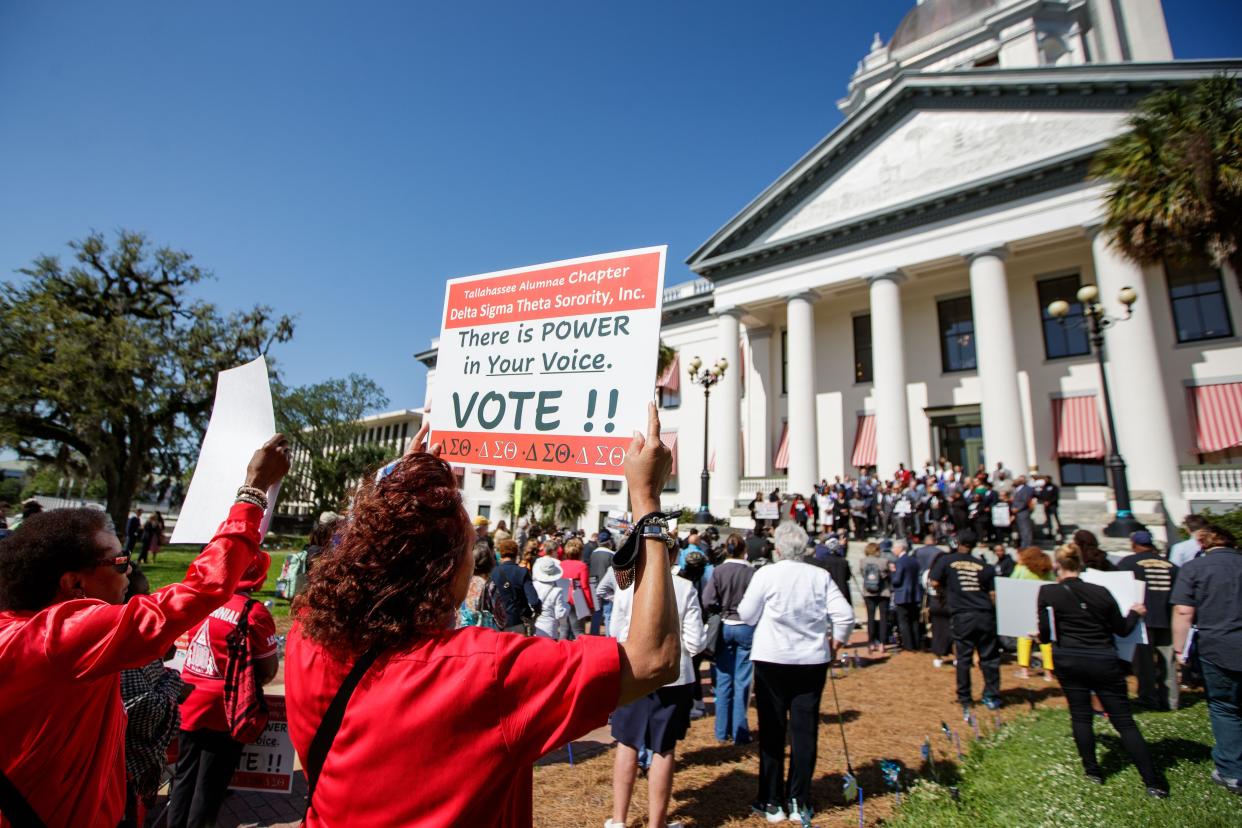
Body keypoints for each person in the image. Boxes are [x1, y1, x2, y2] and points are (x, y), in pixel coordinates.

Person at [284, 409, 683, 826]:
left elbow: (361, 542)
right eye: (468, 548)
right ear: (446, 569)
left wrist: (395, 493)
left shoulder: (308, 634)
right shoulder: (483, 671)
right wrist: (647, 504)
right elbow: (653, 658)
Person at [0, 435, 289, 828]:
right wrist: (253, 491)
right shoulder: (58, 638)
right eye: (120, 561)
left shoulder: (18, 630)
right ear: (73, 585)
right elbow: (201, 590)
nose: (132, 570)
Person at [738, 522, 854, 825]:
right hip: (810, 661)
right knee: (805, 733)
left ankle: (771, 800)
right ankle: (798, 799)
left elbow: (747, 614)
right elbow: (844, 614)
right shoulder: (819, 576)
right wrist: (835, 641)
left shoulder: (766, 574)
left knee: (772, 731)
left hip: (772, 659)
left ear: (777, 549)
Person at [168, 536, 281, 828]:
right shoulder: (253, 612)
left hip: (188, 700)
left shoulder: (198, 598)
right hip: (225, 709)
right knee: (211, 783)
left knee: (183, 775)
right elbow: (267, 668)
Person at [1038, 544, 1168, 797]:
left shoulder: (1047, 591)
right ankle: (1153, 781)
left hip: (1068, 659)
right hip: (1102, 658)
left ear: (1057, 565)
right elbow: (1122, 629)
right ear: (1081, 564)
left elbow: (1044, 634)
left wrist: (1041, 635)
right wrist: (1134, 612)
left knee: (1080, 715)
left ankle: (1093, 771)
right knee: (1124, 722)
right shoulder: (1100, 591)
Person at [606, 535, 705, 828]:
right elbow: (696, 641)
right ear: (673, 557)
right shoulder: (685, 588)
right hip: (674, 673)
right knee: (663, 748)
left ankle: (619, 819)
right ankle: (656, 823)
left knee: (627, 743)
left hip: (635, 672)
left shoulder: (628, 586)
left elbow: (616, 630)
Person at [1171, 524, 1242, 795]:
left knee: (1225, 707)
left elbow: (1183, 612)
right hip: (1223, 642)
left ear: (1202, 545)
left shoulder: (1194, 569)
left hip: (1218, 645)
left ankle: (1232, 771)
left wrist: (1180, 651)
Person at [119, 567, 187, 827]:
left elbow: (164, 656)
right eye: (144, 593)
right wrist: (172, 685)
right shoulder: (125, 650)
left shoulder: (139, 639)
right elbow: (141, 710)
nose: (151, 599)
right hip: (126, 767)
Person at [930, 529, 1002, 717]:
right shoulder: (984, 566)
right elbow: (992, 594)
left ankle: (965, 697)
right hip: (984, 613)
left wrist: (951, 589)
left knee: (963, 657)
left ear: (958, 542)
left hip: (962, 614)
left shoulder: (947, 561)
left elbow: (934, 582)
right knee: (989, 657)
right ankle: (992, 695)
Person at [702, 533, 756, 744]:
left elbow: (707, 600)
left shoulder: (718, 571)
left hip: (724, 624)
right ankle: (740, 731)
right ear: (744, 550)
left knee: (723, 679)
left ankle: (721, 731)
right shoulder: (751, 572)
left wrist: (719, 609)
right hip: (744, 625)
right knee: (742, 681)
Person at [1117, 531, 1179, 710]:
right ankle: (1171, 700)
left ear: (1134, 544)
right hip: (1167, 618)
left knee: (1144, 663)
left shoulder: (1127, 564)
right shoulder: (1172, 566)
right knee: (1168, 661)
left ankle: (1148, 697)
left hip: (1142, 620)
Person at [1011, 546, 1054, 681]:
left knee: (1024, 638)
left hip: (1026, 605)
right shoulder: (1046, 571)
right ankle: (1048, 673)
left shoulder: (1022, 569)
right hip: (1044, 606)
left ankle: (1024, 671)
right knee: (1045, 640)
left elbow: (1012, 581)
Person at [459, 541, 508, 630]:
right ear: (489, 562)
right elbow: (501, 619)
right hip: (482, 633)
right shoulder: (490, 585)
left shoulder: (462, 582)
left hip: (463, 632)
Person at [559, 537, 595, 638]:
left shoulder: (561, 564)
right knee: (579, 632)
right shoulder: (582, 566)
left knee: (563, 630)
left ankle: (561, 652)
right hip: (577, 600)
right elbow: (585, 587)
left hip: (562, 598)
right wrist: (590, 605)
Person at [891, 540, 922, 652]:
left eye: (894, 547)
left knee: (903, 621)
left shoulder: (899, 562)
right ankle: (916, 643)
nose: (893, 550)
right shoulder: (914, 561)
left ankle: (908, 645)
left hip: (903, 595)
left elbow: (897, 580)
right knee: (914, 620)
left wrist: (892, 574)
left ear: (901, 548)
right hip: (914, 594)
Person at [860, 542, 892, 653]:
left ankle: (871, 643)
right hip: (883, 592)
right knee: (883, 618)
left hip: (869, 592)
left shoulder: (863, 562)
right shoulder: (884, 562)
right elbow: (887, 575)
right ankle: (882, 644)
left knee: (870, 618)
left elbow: (863, 574)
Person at [530, 556, 569, 639]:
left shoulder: (532, 586)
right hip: (549, 630)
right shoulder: (557, 591)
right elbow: (560, 614)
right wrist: (567, 607)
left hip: (534, 627)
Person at [589, 529, 615, 635]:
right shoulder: (612, 554)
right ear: (608, 542)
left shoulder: (593, 553)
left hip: (593, 585)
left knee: (596, 613)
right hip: (607, 588)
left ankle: (593, 636)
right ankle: (609, 636)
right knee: (608, 614)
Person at [1040, 475, 1063, 541]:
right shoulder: (1044, 487)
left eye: (1046, 479)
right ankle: (1049, 532)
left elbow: (1056, 496)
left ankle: (1059, 532)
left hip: (1053, 505)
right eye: (1044, 480)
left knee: (1055, 518)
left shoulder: (1054, 487)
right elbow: (1041, 495)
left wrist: (1049, 502)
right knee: (1048, 520)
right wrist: (1044, 501)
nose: (1045, 481)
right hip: (1046, 506)